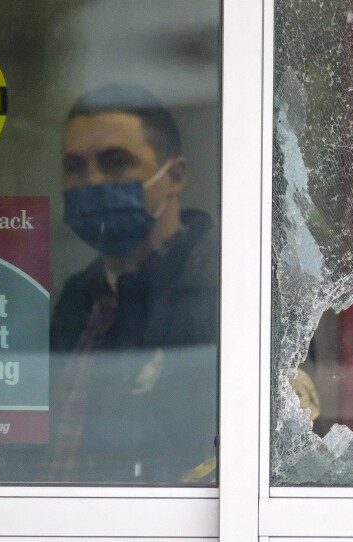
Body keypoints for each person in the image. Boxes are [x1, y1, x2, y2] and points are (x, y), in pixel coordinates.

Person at [47, 85, 218, 483]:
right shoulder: (77, 298)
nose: (90, 183)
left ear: (175, 176)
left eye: (115, 163)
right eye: (75, 167)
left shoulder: (224, 295)